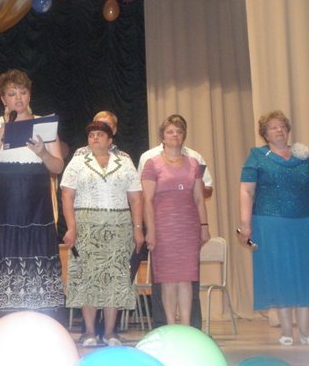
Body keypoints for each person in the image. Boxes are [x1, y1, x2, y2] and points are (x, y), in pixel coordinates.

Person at [0, 69, 65, 332]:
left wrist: (43, 152)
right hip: (3, 203)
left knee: (36, 255)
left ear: (29, 95)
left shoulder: (45, 124)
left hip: (36, 203)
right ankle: (0, 320)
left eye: (23, 92)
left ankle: (41, 319)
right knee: (4, 255)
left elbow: (57, 167)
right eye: (12, 94)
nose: (19, 98)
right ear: (3, 99)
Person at [238, 110, 309, 346]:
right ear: (265, 134)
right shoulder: (257, 156)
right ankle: (287, 331)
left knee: (305, 274)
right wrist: (245, 224)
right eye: (273, 127)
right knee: (279, 274)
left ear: (288, 130)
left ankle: (306, 330)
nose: (279, 130)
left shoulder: (303, 157)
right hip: (270, 224)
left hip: (305, 223)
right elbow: (247, 191)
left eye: (282, 126)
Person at [60, 120, 144, 346]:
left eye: (100, 134)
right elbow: (67, 196)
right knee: (87, 278)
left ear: (110, 140)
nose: (95, 138)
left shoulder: (124, 162)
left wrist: (138, 229)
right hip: (86, 227)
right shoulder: (78, 161)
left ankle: (109, 333)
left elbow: (136, 197)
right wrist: (71, 227)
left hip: (119, 228)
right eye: (91, 135)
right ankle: (89, 332)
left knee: (115, 278)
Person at [137, 113, 213, 329]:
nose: (174, 135)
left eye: (179, 132)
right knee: (168, 279)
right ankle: (171, 326)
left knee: (186, 278)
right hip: (162, 228)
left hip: (188, 227)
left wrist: (204, 227)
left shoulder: (193, 163)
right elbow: (147, 200)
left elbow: (199, 199)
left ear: (184, 136)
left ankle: (186, 327)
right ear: (162, 136)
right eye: (170, 132)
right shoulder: (152, 164)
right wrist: (151, 231)